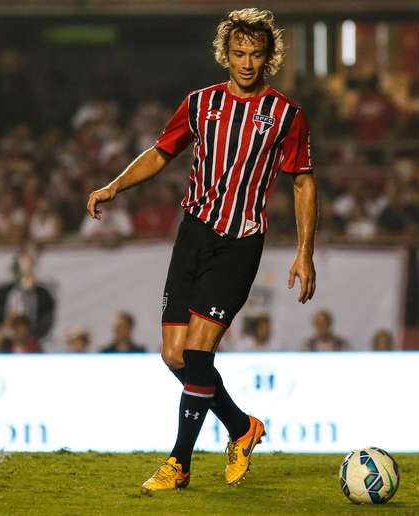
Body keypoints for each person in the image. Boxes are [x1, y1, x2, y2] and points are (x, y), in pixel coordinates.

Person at [86, 8, 317, 494]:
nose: (247, 63)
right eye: (239, 53)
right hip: (193, 234)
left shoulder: (286, 115)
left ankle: (180, 463)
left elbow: (302, 183)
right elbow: (160, 153)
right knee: (174, 356)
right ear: (225, 54)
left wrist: (304, 251)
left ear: (269, 56)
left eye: (256, 54)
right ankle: (241, 427)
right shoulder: (199, 104)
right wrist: (113, 187)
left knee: (197, 351)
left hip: (240, 242)